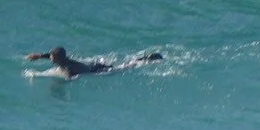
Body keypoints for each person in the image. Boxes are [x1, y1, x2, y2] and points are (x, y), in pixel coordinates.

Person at [26, 45, 162, 78]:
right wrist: (38, 56)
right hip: (92, 65)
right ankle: (144, 59)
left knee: (124, 67)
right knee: (123, 64)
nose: (50, 59)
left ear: (59, 59)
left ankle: (148, 59)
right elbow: (49, 55)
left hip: (96, 70)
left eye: (52, 58)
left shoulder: (67, 67)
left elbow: (71, 77)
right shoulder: (62, 60)